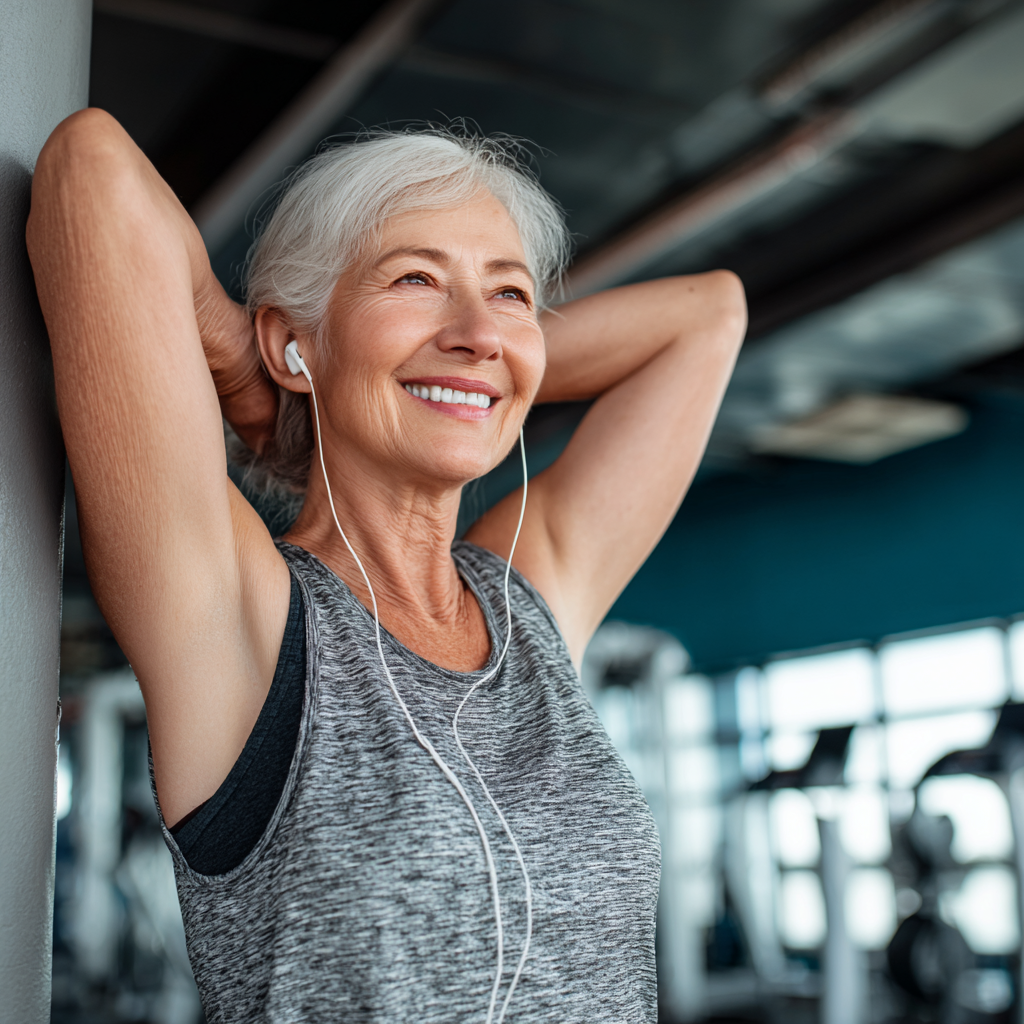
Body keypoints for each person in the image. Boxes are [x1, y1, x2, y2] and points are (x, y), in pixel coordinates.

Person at [28, 110, 746, 1023]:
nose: (479, 327)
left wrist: (487, 367)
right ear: (295, 339)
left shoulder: (529, 602)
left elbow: (710, 315)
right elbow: (92, 172)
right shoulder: (245, 622)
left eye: (512, 293)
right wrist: (256, 369)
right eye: (416, 279)